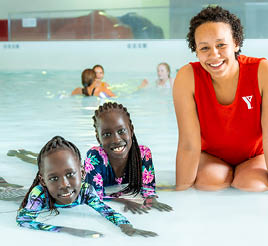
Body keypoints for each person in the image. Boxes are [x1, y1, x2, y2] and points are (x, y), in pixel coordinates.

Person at [173, 5, 268, 192]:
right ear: (196, 51)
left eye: (221, 45)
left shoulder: (261, 71)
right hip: (211, 157)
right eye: (204, 48)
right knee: (208, 183)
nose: (213, 55)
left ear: (236, 43)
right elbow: (188, 144)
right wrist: (180, 193)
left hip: (253, 156)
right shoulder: (187, 77)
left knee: (252, 184)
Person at [16, 136, 157, 238]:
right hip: (26, 194)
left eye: (70, 174)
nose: (64, 185)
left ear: (82, 173)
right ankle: (19, 158)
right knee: (9, 191)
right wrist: (68, 230)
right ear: (43, 181)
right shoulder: (39, 194)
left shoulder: (86, 191)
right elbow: (23, 220)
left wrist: (126, 226)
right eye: (54, 178)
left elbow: (106, 211)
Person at [84, 102, 173, 214]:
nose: (116, 140)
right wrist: (125, 201)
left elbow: (148, 188)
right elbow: (94, 196)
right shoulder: (94, 157)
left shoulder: (143, 154)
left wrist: (151, 200)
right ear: (98, 138)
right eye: (107, 134)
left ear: (131, 130)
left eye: (121, 131)